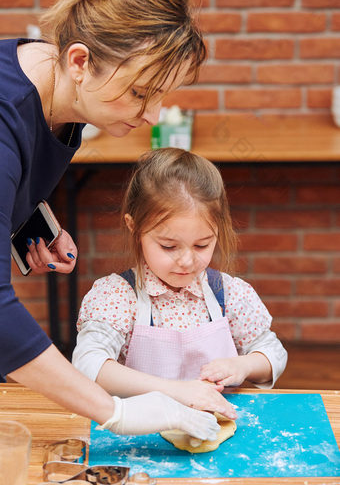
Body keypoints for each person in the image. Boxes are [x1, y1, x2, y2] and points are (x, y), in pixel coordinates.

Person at [0, 0, 224, 441]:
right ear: (80, 61)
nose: (153, 116)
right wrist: (115, 412)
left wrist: (26, 221)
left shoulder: (68, 88)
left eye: (162, 94)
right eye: (140, 93)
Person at [72, 148, 288, 410]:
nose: (187, 261)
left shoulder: (228, 293)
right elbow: (87, 364)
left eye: (201, 245)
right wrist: (175, 391)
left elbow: (274, 354)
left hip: (216, 427)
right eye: (168, 246)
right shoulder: (118, 296)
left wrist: (243, 365)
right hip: (142, 432)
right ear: (134, 227)